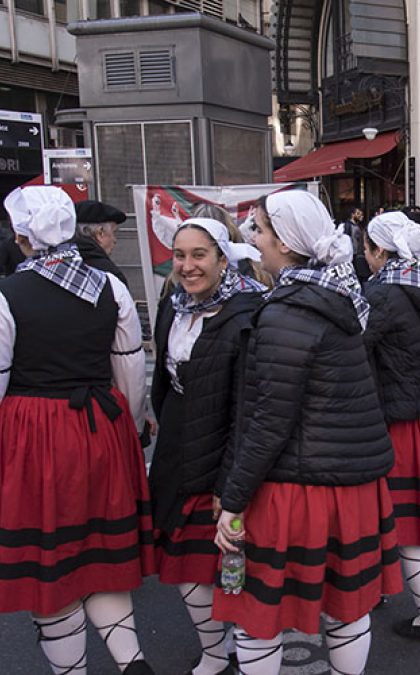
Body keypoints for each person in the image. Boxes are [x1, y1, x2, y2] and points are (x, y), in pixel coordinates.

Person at [0, 186, 155, 675]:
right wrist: (130, 427)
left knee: (50, 565)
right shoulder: (111, 288)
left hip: (33, 435)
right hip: (99, 427)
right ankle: (132, 661)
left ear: (21, 236)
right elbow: (128, 370)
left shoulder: (3, 296)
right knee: (100, 555)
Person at [213, 190, 401, 675]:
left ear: (285, 242)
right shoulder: (340, 297)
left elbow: (268, 420)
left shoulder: (287, 312)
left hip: (296, 485)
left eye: (259, 229)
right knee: (347, 607)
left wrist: (232, 499)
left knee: (259, 614)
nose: (253, 238)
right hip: (353, 483)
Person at [149, 217, 265, 675]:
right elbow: (163, 376)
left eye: (199, 255)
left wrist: (230, 479)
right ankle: (216, 649)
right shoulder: (171, 306)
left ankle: (236, 642)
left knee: (226, 557)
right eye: (180, 255)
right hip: (179, 441)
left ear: (222, 258)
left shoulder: (247, 312)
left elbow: (249, 405)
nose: (187, 266)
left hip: (224, 444)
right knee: (184, 561)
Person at [362, 211, 420, 646]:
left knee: (400, 520)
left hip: (396, 417)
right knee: (401, 518)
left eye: (367, 248)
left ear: (381, 251)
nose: (364, 256)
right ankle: (382, 590)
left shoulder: (382, 294)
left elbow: (357, 352)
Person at [73, 200, 129, 287]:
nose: (115, 240)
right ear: (100, 233)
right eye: (114, 232)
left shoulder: (56, 267)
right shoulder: (110, 277)